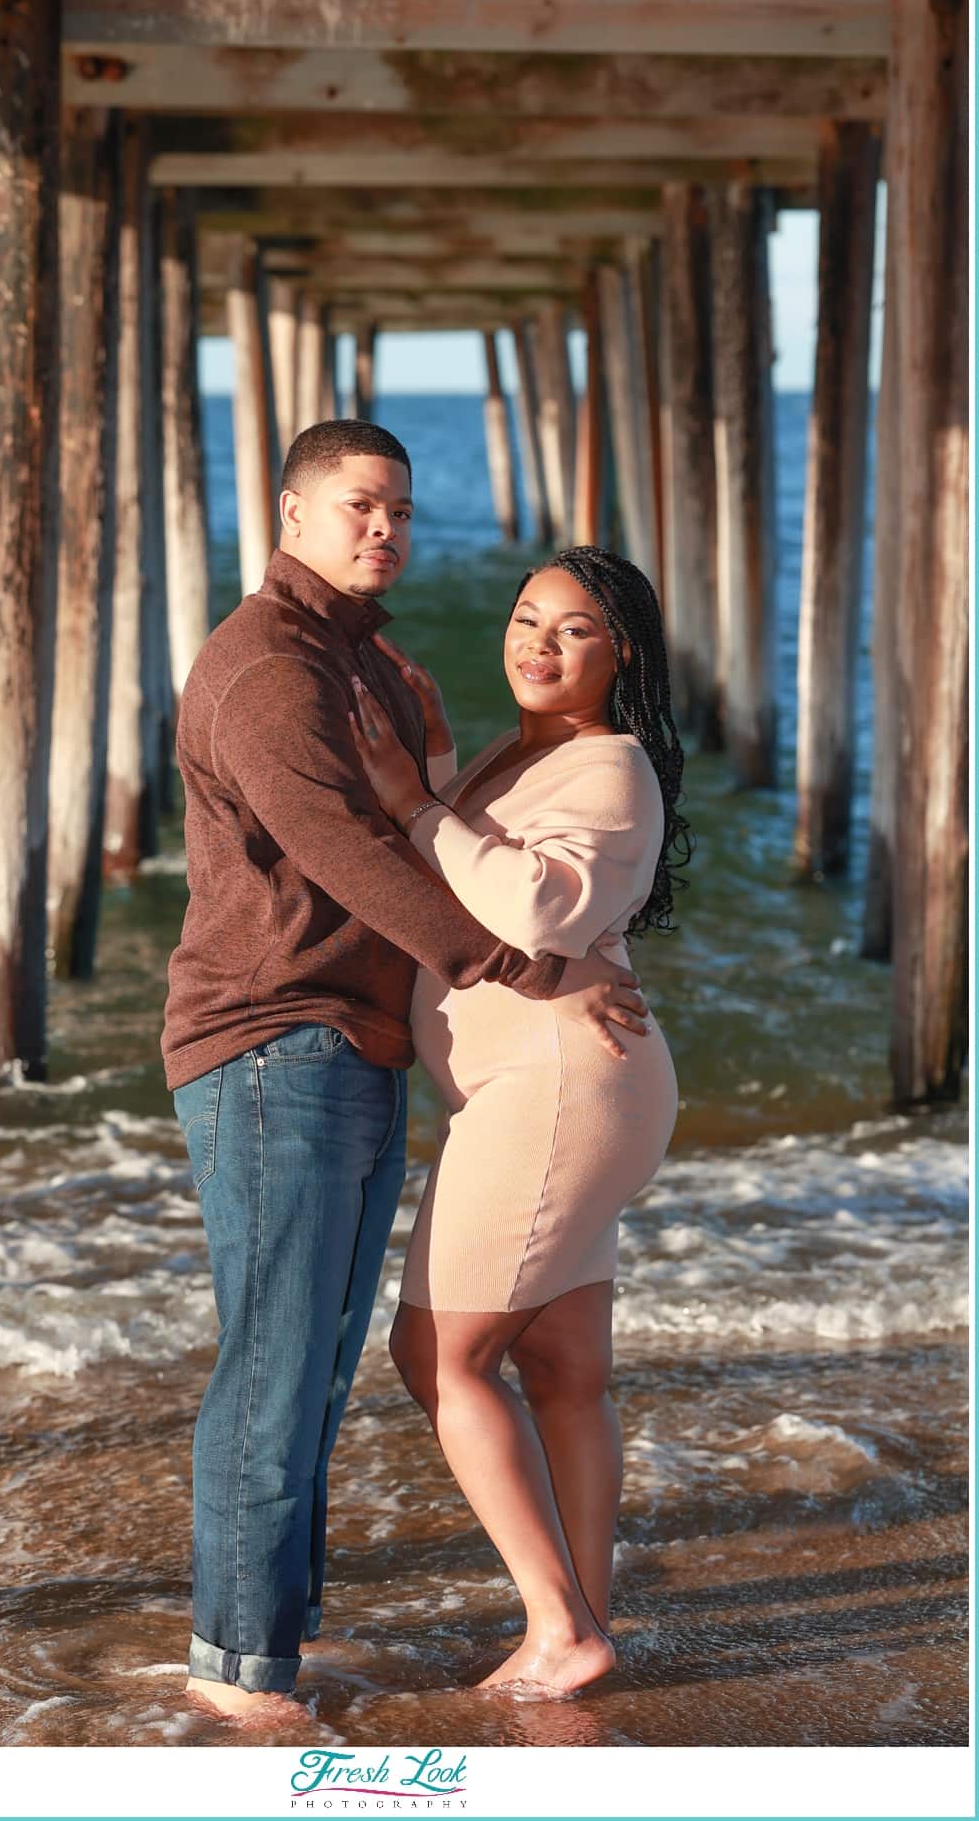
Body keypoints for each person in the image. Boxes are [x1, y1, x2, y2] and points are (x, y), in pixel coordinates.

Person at [162, 422, 649, 1722]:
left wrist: (577, 942)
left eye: (400, 511)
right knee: (279, 1363)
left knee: (315, 1365)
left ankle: (282, 1634)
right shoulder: (271, 666)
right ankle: (239, 1667)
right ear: (293, 513)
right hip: (274, 1032)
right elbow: (345, 847)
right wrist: (530, 969)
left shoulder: (368, 665)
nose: (384, 529)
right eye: (358, 506)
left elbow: (466, 833)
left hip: (354, 1044)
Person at [351, 544, 689, 1698]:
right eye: (525, 619)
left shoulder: (612, 766)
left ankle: (560, 1631)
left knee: (436, 1353)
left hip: (556, 1089)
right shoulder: (526, 751)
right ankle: (584, 1625)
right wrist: (439, 763)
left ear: (623, 651)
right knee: (561, 1368)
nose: (538, 644)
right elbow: (472, 858)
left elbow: (537, 905)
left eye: (575, 630)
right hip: (568, 1087)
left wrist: (407, 799)